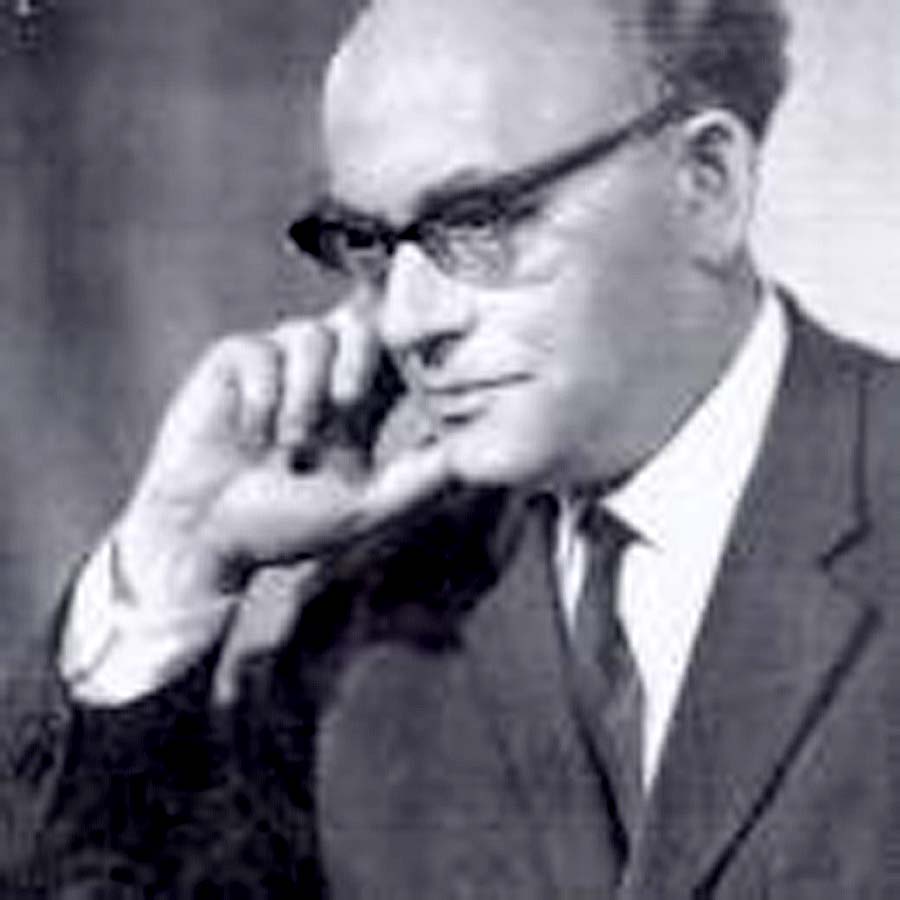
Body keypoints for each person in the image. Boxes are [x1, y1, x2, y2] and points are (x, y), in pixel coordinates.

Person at [3, 0, 900, 895]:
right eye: (367, 242)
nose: (406, 320)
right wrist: (178, 557)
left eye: (479, 221)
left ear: (707, 185)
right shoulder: (383, 609)